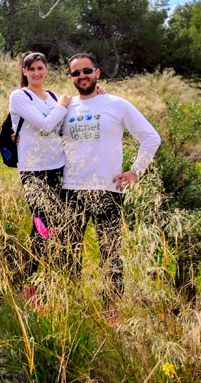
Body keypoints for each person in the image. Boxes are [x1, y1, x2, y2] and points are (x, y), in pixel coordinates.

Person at [60, 53, 161, 303]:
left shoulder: (117, 104)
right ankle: (72, 303)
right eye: (76, 73)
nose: (82, 76)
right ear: (70, 77)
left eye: (87, 70)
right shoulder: (64, 107)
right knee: (68, 252)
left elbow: (151, 137)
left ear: (97, 73)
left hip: (108, 189)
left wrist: (136, 170)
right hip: (71, 188)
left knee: (110, 252)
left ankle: (111, 306)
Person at [8, 52, 71, 284]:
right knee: (41, 221)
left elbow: (63, 125)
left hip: (58, 165)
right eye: (31, 69)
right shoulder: (20, 95)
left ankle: (49, 273)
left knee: (56, 221)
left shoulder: (52, 96)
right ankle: (29, 274)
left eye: (40, 68)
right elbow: (45, 126)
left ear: (47, 70)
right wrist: (63, 106)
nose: (36, 73)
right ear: (24, 71)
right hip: (33, 167)